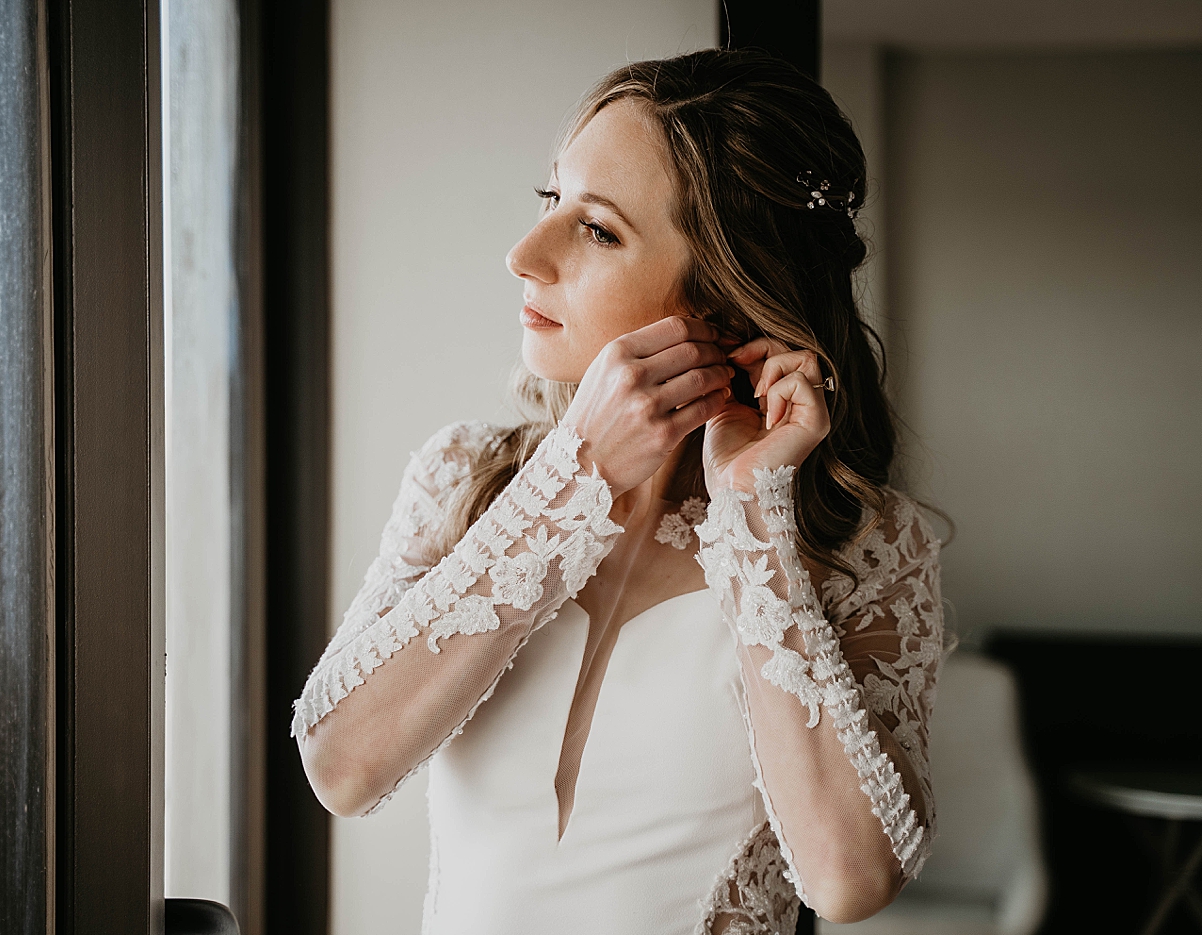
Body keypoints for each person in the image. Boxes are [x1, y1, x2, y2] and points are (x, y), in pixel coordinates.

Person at [293, 49, 944, 935]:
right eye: (549, 202)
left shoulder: (867, 545)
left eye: (596, 229)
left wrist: (755, 512)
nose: (525, 254)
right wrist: (575, 478)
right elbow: (340, 766)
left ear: (723, 300)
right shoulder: (464, 477)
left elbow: (848, 881)